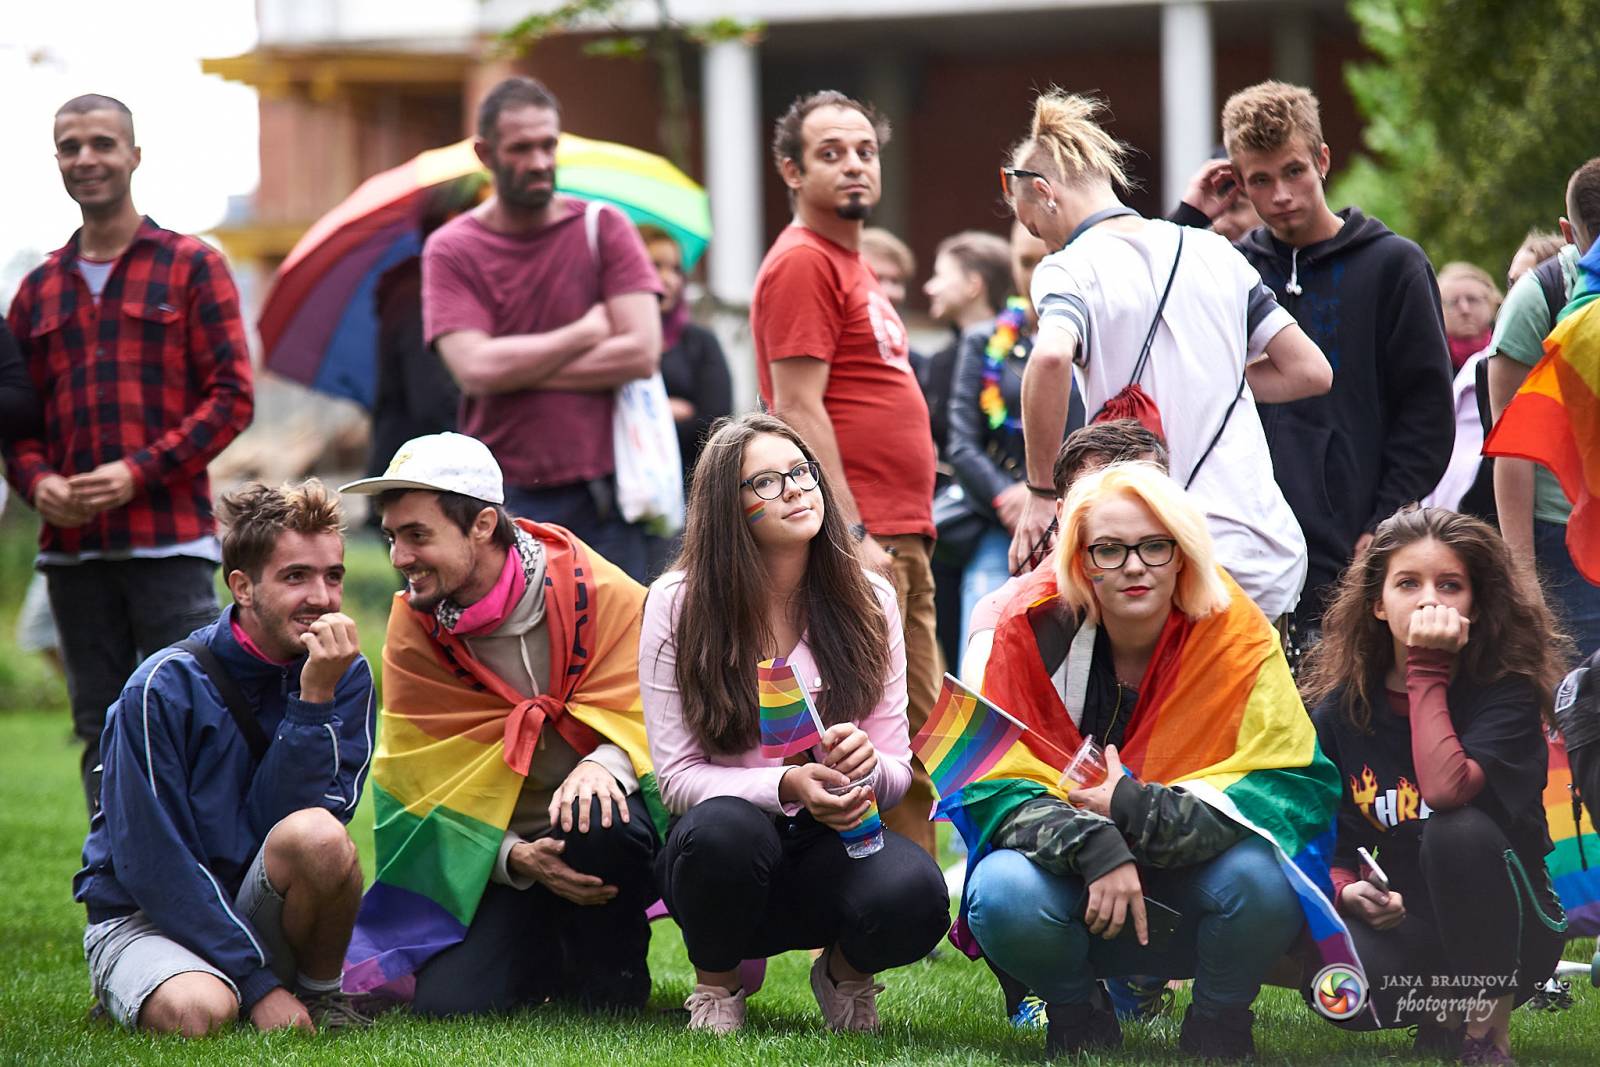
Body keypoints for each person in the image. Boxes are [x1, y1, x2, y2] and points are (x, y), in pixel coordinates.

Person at [950, 461, 1345, 1060]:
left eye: (1154, 546)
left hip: (1197, 878)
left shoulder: (1236, 633)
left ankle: (1218, 1020)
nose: (1134, 566)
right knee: (1001, 893)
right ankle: (1078, 1010)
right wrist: (1096, 846)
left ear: (1182, 553)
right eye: (1109, 549)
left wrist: (1131, 806)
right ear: (1080, 560)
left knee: (1264, 880)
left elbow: (1284, 785)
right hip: (1069, 881)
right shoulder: (1024, 628)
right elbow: (988, 785)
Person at [639, 413, 950, 1034]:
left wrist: (864, 765)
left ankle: (844, 972)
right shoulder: (676, 604)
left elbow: (896, 768)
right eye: (767, 482)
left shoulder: (871, 598)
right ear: (727, 508)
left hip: (834, 838)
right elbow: (675, 779)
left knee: (917, 895)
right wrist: (783, 787)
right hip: (725, 849)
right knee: (721, 835)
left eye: (802, 472)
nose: (796, 489)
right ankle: (719, 985)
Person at [339, 432, 662, 1016]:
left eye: (417, 535)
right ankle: (541, 950)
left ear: (483, 525)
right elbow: (415, 788)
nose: (399, 558)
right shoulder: (413, 630)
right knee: (448, 1009)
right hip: (499, 858)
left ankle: (609, 975)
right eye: (391, 537)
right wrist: (515, 857)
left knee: (598, 816)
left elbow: (662, 708)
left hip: (604, 830)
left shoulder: (599, 589)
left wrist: (603, 764)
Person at [2, 93, 254, 816]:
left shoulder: (192, 266)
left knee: (195, 718)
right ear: (56, 161)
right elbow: (16, 420)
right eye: (70, 146)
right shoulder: (36, 292)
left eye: (102, 143)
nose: (86, 159)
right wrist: (35, 479)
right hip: (72, 554)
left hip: (169, 546)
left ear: (134, 155)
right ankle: (118, 901)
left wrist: (136, 471)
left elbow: (233, 396)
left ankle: (208, 892)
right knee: (99, 730)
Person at [1004, 89, 1330, 625]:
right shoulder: (1214, 251)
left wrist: (1041, 492)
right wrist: (1217, 377)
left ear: (1044, 192)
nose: (1040, 241)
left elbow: (1049, 359)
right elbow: (1311, 371)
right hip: (1260, 551)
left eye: (1033, 226)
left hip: (1154, 556)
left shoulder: (1068, 269)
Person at [73, 479, 374, 1036]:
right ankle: (174, 980)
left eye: (333, 576)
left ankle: (320, 997)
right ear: (242, 586)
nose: (322, 598)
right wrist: (258, 986)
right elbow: (153, 865)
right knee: (199, 1013)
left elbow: (286, 826)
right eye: (295, 576)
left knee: (320, 837)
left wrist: (312, 702)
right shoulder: (160, 688)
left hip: (255, 901)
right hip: (152, 915)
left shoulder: (342, 677)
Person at [1184, 80, 1455, 651]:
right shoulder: (1226, 268)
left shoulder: (1394, 265)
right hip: (1241, 549)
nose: (1281, 194)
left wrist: (1382, 527)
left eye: (1294, 171)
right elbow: (1151, 322)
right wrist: (1188, 216)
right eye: (1259, 179)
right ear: (1235, 180)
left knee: (1342, 726)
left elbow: (1427, 413)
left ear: (1323, 160)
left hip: (1354, 548)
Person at [1300, 506, 1569, 1063]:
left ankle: (1484, 1031)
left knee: (1455, 829)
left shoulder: (1507, 693)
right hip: (1415, 924)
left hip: (1517, 932)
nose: (1430, 600)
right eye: (1407, 583)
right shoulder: (1341, 713)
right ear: (1377, 604)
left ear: (1477, 602)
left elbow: (1448, 792)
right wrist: (1348, 888)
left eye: (1451, 585)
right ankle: (1439, 1010)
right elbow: (1329, 836)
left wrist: (1425, 668)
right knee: (1336, 987)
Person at [752, 90, 941, 861]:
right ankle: (895, 895)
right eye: (831, 152)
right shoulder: (802, 261)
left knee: (918, 724)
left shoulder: (850, 262)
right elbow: (795, 406)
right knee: (886, 724)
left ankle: (914, 892)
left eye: (864, 149)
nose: (854, 164)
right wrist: (851, 532)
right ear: (791, 170)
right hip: (864, 534)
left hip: (898, 527)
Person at [423, 76, 663, 583]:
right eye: (521, 148)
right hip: (502, 500)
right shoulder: (452, 248)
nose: (539, 161)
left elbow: (641, 352)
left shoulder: (605, 227)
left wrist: (515, 368)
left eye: (548, 144)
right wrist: (584, 332)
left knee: (622, 656)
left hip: (609, 499)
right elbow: (474, 369)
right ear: (485, 154)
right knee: (517, 656)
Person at [946, 223, 1082, 648]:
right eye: (1024, 262)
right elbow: (961, 444)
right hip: (998, 522)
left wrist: (1056, 498)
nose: (1037, 272)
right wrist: (1014, 496)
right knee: (985, 643)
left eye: (1048, 258)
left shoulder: (1097, 334)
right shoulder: (985, 340)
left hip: (1080, 519)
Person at [1487, 157, 1600, 662]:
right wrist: (1524, 577)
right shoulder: (1541, 297)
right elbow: (1511, 447)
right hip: (1563, 540)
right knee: (1580, 713)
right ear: (1567, 234)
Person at [924, 228, 1016, 668]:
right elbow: (956, 443)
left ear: (974, 283)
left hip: (1005, 521)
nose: (929, 286)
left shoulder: (1019, 350)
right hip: (963, 519)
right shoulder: (942, 360)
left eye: (940, 274)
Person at [639, 224, 732, 576]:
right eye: (655, 265)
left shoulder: (699, 342)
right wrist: (667, 411)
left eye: (676, 269)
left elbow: (715, 423)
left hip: (687, 496)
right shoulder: (613, 341)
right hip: (622, 502)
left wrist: (650, 417)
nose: (669, 279)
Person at [1423, 263, 1503, 519]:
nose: (1465, 309)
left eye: (1473, 299)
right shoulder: (1425, 365)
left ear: (1493, 304)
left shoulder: (1508, 359)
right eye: (1452, 302)